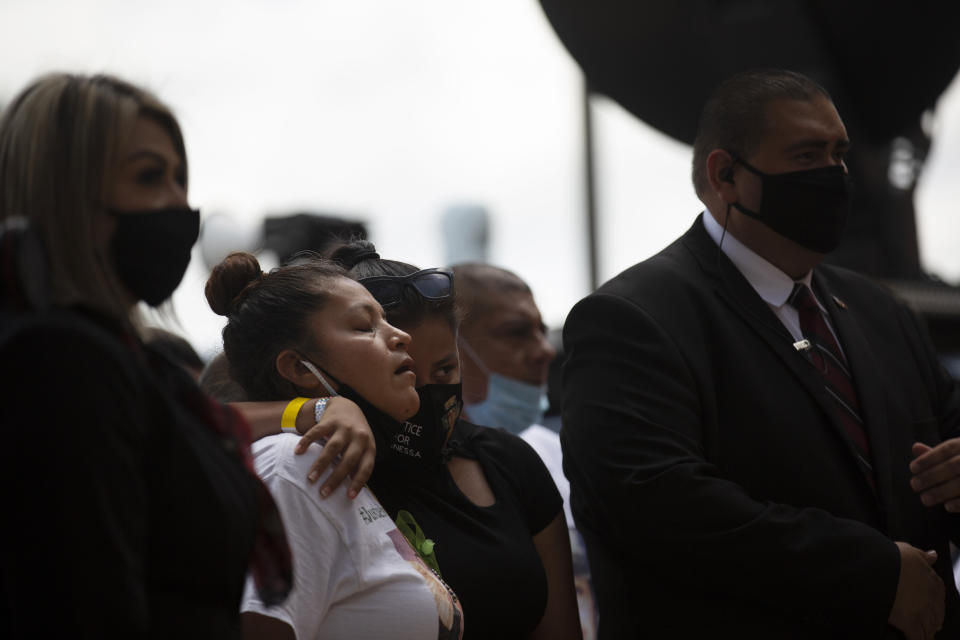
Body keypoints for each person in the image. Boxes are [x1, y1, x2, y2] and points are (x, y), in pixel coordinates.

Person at [561, 68, 960, 639]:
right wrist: (871, 573)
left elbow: (945, 445)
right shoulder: (633, 318)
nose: (834, 174)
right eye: (805, 156)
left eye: (839, 153)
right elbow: (658, 507)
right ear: (724, 174)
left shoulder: (881, 312)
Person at [0, 73, 291, 636]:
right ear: (63, 191)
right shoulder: (59, 360)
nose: (178, 205)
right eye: (149, 177)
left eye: (181, 179)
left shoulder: (137, 366)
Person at [206, 251, 464, 640]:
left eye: (385, 320)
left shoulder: (339, 464)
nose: (400, 336)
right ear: (297, 368)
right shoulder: (293, 465)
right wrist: (318, 408)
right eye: (364, 327)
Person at [331, 242, 582, 640]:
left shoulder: (509, 461)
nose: (430, 391)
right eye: (408, 371)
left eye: (446, 368)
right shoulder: (320, 474)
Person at [453, 262, 598, 639]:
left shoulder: (558, 451)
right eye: (516, 333)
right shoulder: (419, 466)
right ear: (450, 345)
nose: (545, 351)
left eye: (540, 330)